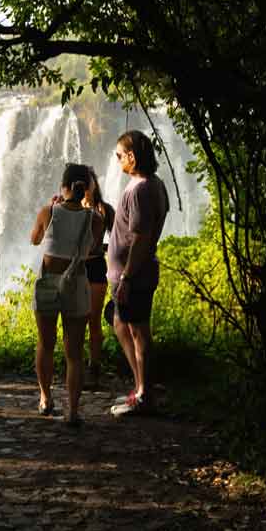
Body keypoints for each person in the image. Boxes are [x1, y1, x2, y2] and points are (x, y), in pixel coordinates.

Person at [29, 164, 106, 426]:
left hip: (49, 281)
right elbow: (93, 247)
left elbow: (35, 239)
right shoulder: (95, 219)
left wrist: (54, 209)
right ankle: (73, 410)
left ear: (63, 185)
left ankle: (45, 397)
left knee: (45, 343)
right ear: (86, 187)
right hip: (77, 282)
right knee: (74, 351)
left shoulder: (48, 211)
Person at [107, 130, 170, 414]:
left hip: (133, 275)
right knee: (122, 323)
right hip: (129, 273)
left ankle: (145, 395)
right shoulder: (152, 184)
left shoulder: (142, 189)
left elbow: (142, 237)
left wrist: (127, 277)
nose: (117, 159)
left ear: (132, 156)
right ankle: (140, 388)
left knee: (138, 332)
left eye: (120, 155)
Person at [83, 166, 116, 389]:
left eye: (88, 182)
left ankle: (94, 368)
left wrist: (99, 249)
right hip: (74, 268)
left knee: (93, 320)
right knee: (74, 320)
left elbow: (117, 241)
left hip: (95, 267)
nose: (84, 186)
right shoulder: (67, 207)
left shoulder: (105, 210)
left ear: (95, 183)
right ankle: (76, 367)